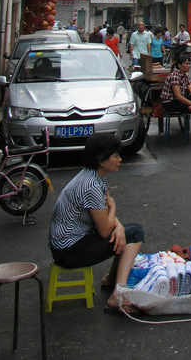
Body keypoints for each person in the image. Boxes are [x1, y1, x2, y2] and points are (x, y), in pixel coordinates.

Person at [48, 132, 145, 314]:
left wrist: (118, 226)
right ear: (101, 160)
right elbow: (104, 230)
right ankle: (117, 295)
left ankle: (111, 280)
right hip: (69, 251)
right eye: (115, 155)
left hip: (70, 244)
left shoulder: (92, 176)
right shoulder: (91, 186)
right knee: (135, 233)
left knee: (124, 232)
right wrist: (114, 209)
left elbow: (103, 215)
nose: (120, 159)